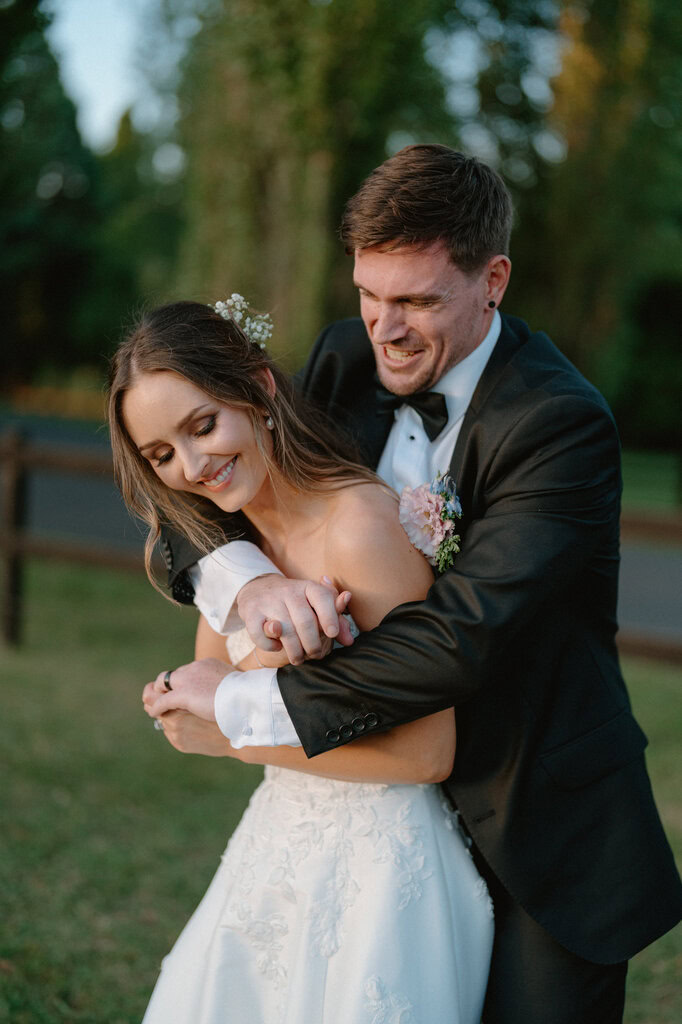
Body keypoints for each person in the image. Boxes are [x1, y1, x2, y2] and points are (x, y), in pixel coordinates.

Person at [148, 144, 682, 1024]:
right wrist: (247, 582)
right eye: (369, 294)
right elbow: (206, 479)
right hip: (382, 822)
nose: (384, 329)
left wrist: (240, 704)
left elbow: (458, 639)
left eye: (418, 302)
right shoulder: (340, 359)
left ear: (493, 280)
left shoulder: (560, 423)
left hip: (537, 820)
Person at [108, 297, 494, 1023]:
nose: (192, 465)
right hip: (277, 844)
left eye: (203, 425)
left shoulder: (359, 528)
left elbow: (427, 753)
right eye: (162, 455)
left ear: (258, 389)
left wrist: (232, 732)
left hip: (381, 868)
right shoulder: (232, 542)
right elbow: (217, 677)